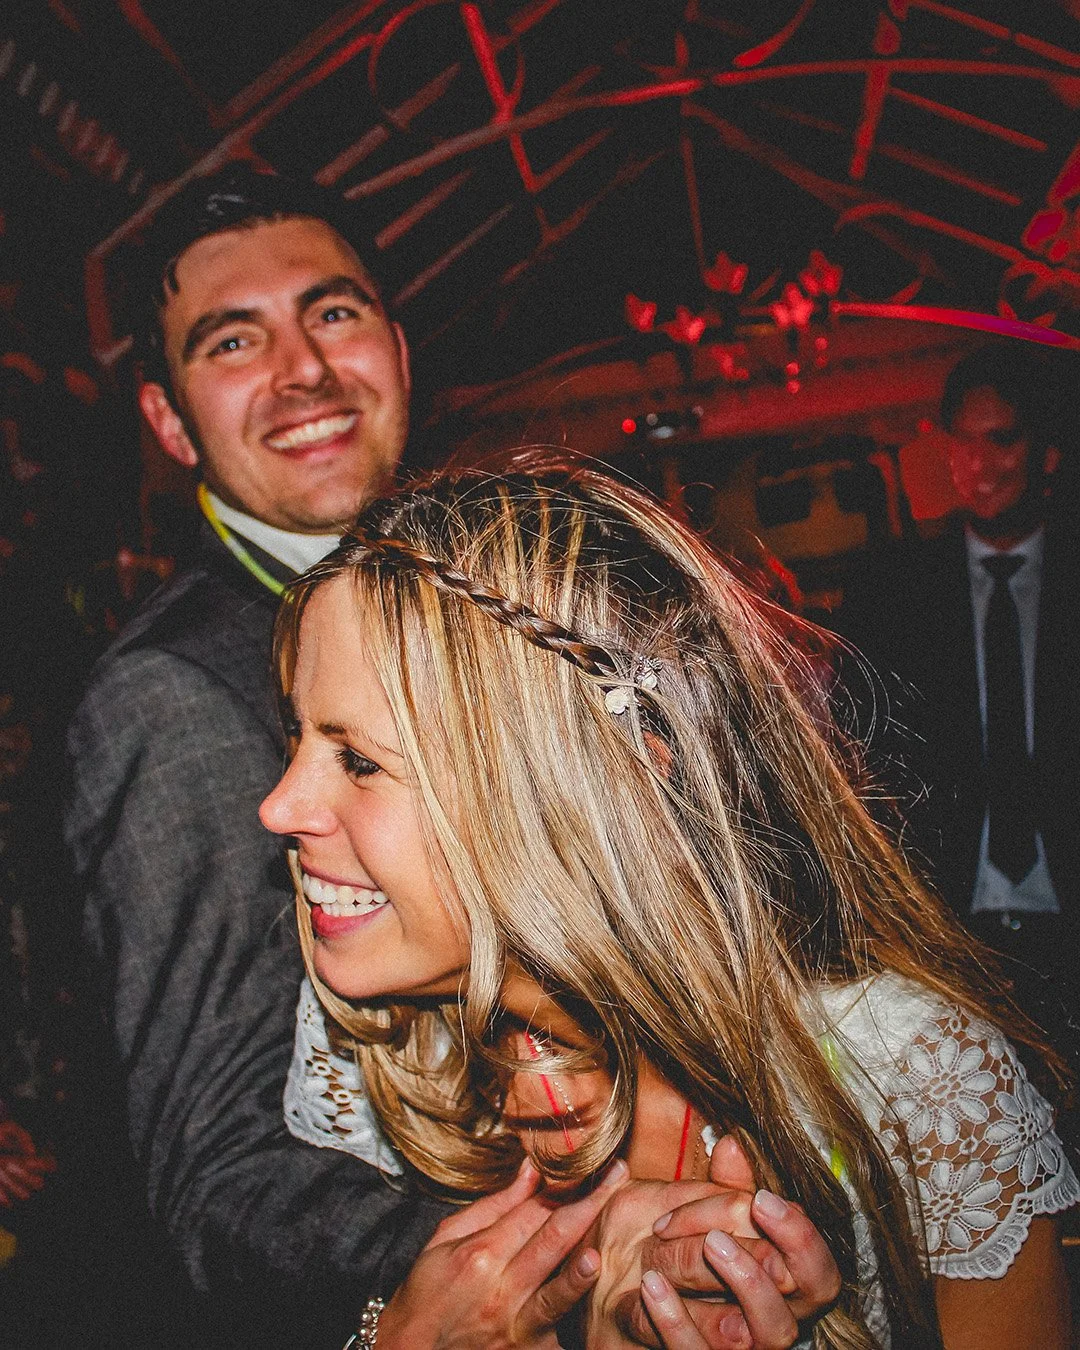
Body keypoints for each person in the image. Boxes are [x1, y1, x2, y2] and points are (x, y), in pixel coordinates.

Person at [65, 168, 838, 1349]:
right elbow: (223, 1167)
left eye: (333, 314)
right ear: (171, 425)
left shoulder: (494, 586)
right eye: (234, 342)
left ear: (399, 349)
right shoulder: (168, 693)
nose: (305, 372)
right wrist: (550, 1263)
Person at [260, 457, 1078, 1349]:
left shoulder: (916, 1078)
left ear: (594, 786)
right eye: (296, 737)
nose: (278, 806)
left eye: (360, 760)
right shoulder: (380, 1047)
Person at [835, 343, 1080, 1070]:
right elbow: (869, 761)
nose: (980, 465)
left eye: (1001, 440)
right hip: (952, 927)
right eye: (962, 443)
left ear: (1044, 453)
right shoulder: (892, 593)